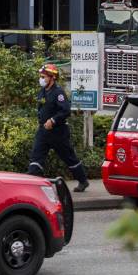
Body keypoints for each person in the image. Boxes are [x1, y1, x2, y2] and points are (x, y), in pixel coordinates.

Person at [27, 63, 90, 192]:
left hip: (58, 132)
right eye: (41, 76)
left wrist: (53, 120)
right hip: (43, 131)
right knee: (36, 156)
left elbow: (65, 110)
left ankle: (83, 181)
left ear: (52, 77)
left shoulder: (58, 93)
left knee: (68, 157)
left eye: (44, 76)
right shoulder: (43, 91)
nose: (41, 79)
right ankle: (33, 183)